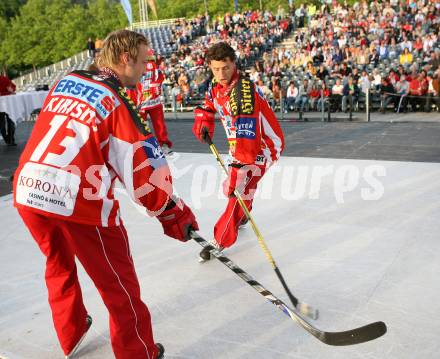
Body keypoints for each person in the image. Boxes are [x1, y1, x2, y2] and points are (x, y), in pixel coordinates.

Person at [13, 30, 199, 359]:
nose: (146, 69)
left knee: (57, 261)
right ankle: (138, 353)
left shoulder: (66, 79)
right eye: (143, 62)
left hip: (28, 188)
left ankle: (70, 332)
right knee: (119, 285)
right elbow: (143, 170)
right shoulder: (118, 100)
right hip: (76, 199)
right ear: (125, 59)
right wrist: (175, 215)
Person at [191, 42, 284, 261]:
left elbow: (247, 141)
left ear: (234, 64)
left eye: (225, 68)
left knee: (238, 191)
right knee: (243, 186)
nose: (221, 74)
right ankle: (243, 214)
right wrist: (204, 121)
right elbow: (208, 104)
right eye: (215, 69)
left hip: (263, 145)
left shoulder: (243, 94)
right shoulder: (216, 85)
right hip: (240, 143)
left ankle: (220, 240)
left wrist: (237, 173)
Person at [126, 49, 173, 154]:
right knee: (142, 126)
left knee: (158, 125)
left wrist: (156, 87)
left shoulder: (153, 66)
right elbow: (132, 85)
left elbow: (159, 78)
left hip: (153, 101)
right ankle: (143, 146)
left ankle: (162, 144)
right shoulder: (135, 66)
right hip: (141, 102)